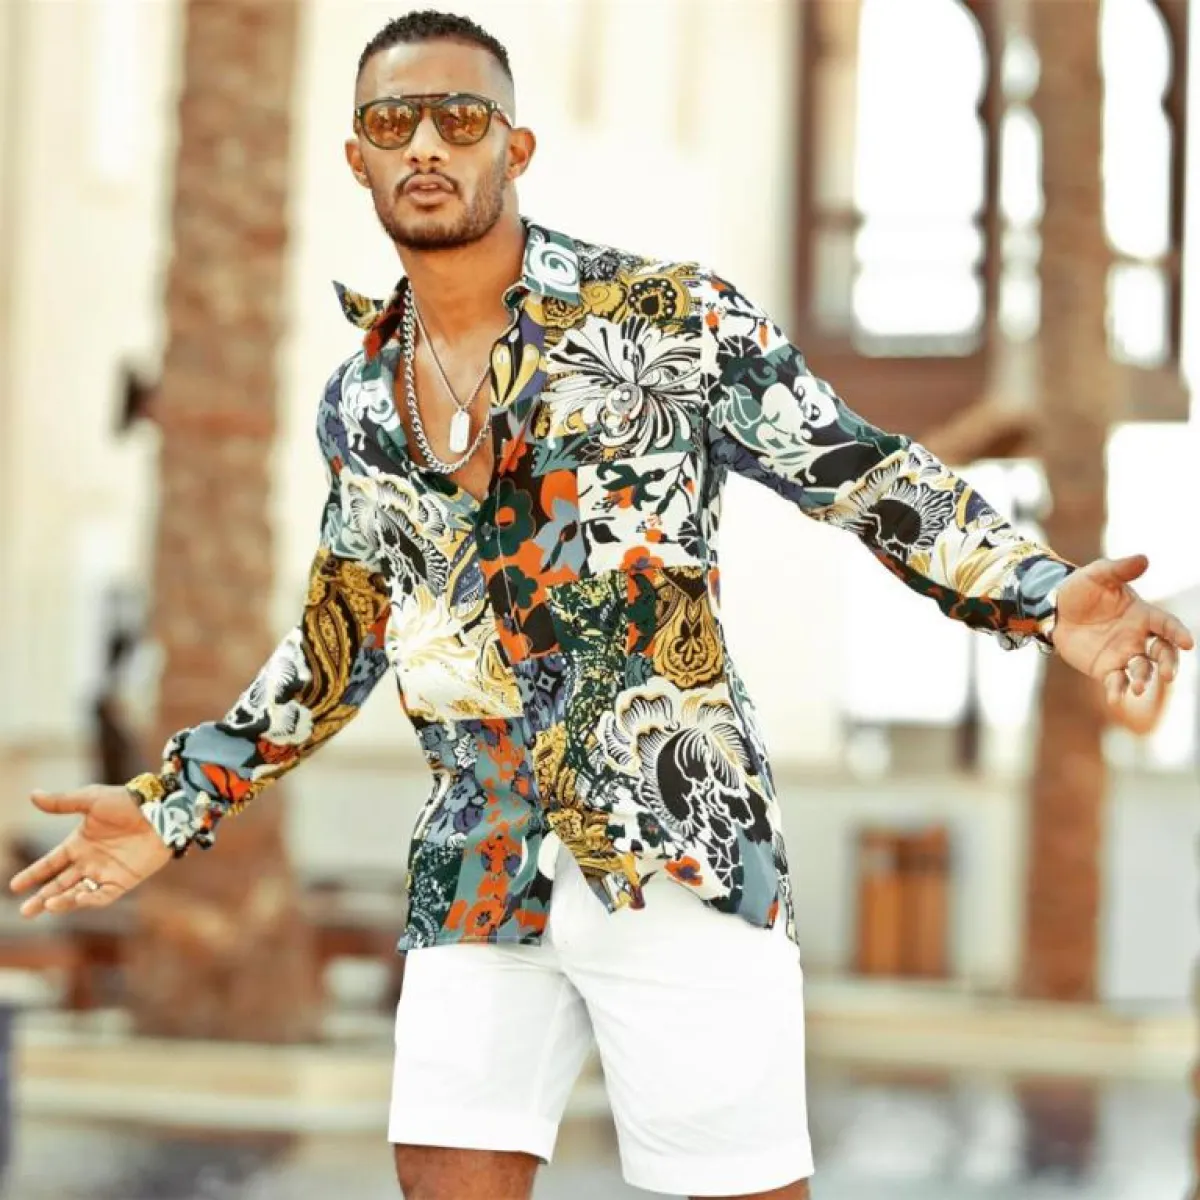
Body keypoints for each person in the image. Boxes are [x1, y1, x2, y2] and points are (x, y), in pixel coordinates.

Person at [9, 11, 1194, 1200]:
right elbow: (341, 634)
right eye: (393, 122)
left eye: (459, 117)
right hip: (477, 857)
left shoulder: (670, 321)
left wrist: (1043, 595)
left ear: (514, 148)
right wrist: (173, 803)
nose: (426, 144)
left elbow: (860, 471)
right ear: (357, 158)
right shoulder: (361, 401)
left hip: (675, 841)